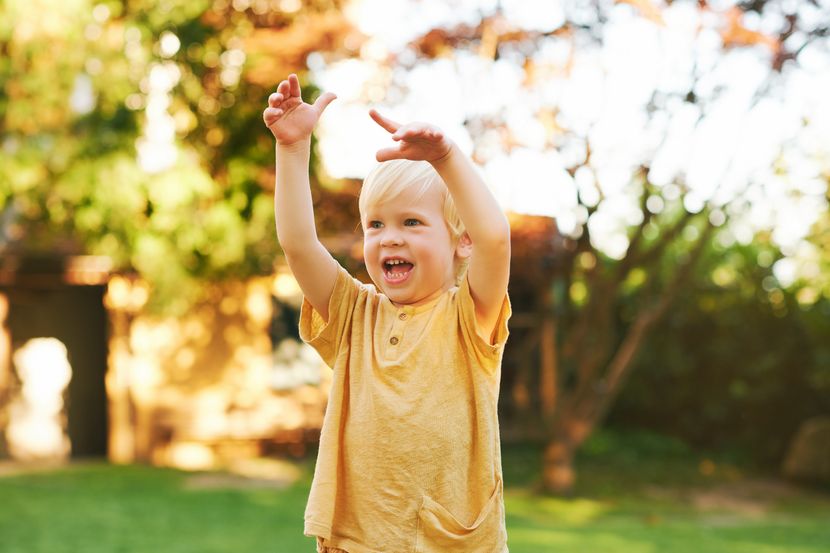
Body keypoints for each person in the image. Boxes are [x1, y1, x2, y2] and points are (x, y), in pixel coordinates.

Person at [263, 73, 512, 553]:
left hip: (449, 542)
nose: (389, 237)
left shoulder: (469, 316)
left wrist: (446, 159)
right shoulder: (354, 313)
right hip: (356, 540)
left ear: (462, 241)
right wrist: (292, 151)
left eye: (412, 222)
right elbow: (297, 243)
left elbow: (496, 238)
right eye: (375, 224)